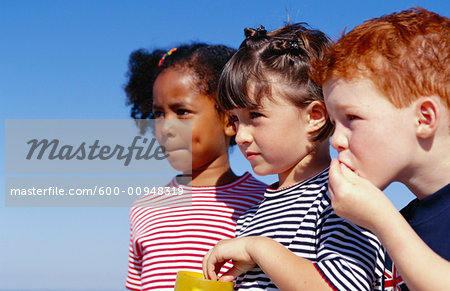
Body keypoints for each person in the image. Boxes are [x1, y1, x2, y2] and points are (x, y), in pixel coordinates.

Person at [202, 23, 385, 290]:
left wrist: (257, 248)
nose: (240, 136)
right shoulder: (253, 215)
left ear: (314, 116)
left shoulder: (342, 197)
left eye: (255, 116)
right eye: (235, 119)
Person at [311, 7, 450, 290]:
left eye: (352, 118)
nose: (336, 140)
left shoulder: (390, 225)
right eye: (334, 122)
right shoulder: (402, 222)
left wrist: (382, 221)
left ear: (424, 118)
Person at [123, 43, 268, 290]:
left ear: (229, 119)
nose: (165, 127)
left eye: (182, 111)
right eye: (158, 114)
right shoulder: (144, 209)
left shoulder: (263, 202)